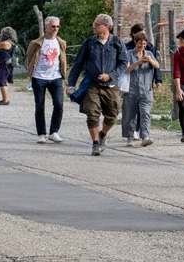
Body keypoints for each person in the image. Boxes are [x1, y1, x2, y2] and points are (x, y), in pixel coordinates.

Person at [68, 13, 130, 156]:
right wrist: (71, 85)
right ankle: (95, 143)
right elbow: (78, 64)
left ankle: (103, 134)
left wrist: (111, 75)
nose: (93, 26)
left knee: (112, 115)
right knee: (92, 113)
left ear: (106, 26)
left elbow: (123, 64)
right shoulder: (89, 43)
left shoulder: (117, 43)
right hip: (92, 85)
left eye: (96, 24)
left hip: (111, 86)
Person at [118, 24, 163, 147]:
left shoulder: (149, 54)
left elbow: (157, 66)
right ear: (135, 42)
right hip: (131, 89)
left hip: (146, 90)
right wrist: (138, 62)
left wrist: (150, 61)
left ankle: (146, 136)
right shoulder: (128, 54)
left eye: (144, 44)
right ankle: (129, 136)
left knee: (145, 113)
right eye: (139, 43)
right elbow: (125, 70)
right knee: (129, 114)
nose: (142, 46)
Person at [28, 17, 67, 143]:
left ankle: (54, 131)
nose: (55, 29)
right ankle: (41, 134)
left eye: (57, 27)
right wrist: (32, 72)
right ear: (46, 27)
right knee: (40, 105)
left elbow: (62, 58)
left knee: (59, 104)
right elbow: (29, 58)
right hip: (39, 77)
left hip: (55, 77)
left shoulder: (61, 42)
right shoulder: (36, 43)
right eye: (53, 26)